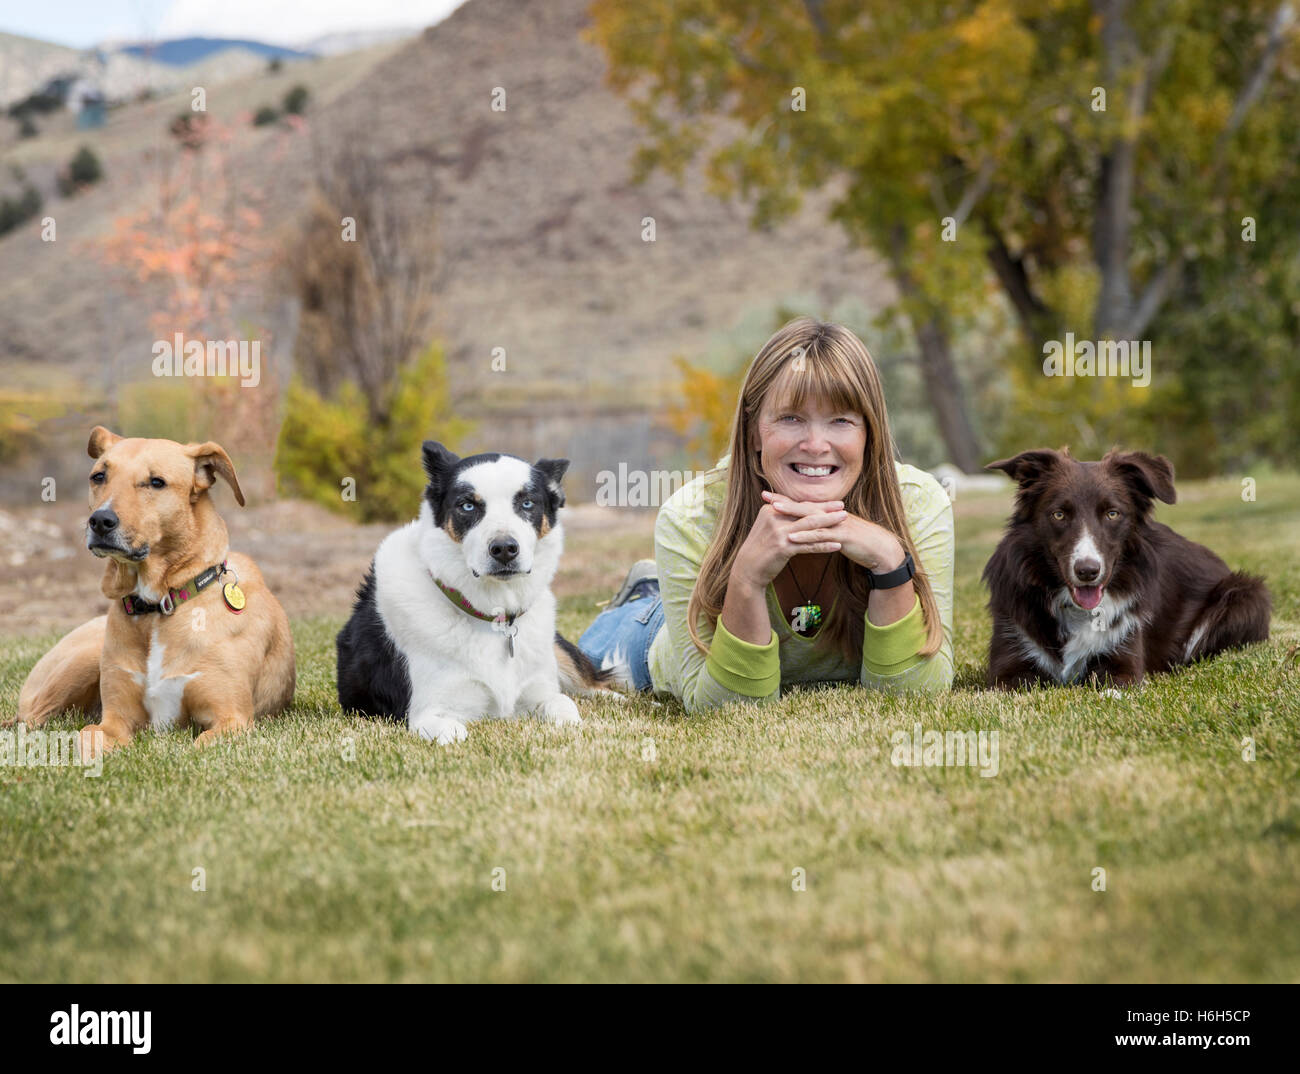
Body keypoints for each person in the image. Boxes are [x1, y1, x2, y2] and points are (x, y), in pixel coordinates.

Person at [578, 317, 954, 713]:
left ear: (868, 433)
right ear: (754, 430)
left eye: (841, 420)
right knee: (589, 660)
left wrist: (890, 562)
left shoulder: (919, 503)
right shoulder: (690, 516)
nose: (814, 444)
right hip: (648, 636)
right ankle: (646, 595)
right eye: (791, 418)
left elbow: (917, 696)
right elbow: (722, 709)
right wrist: (746, 578)